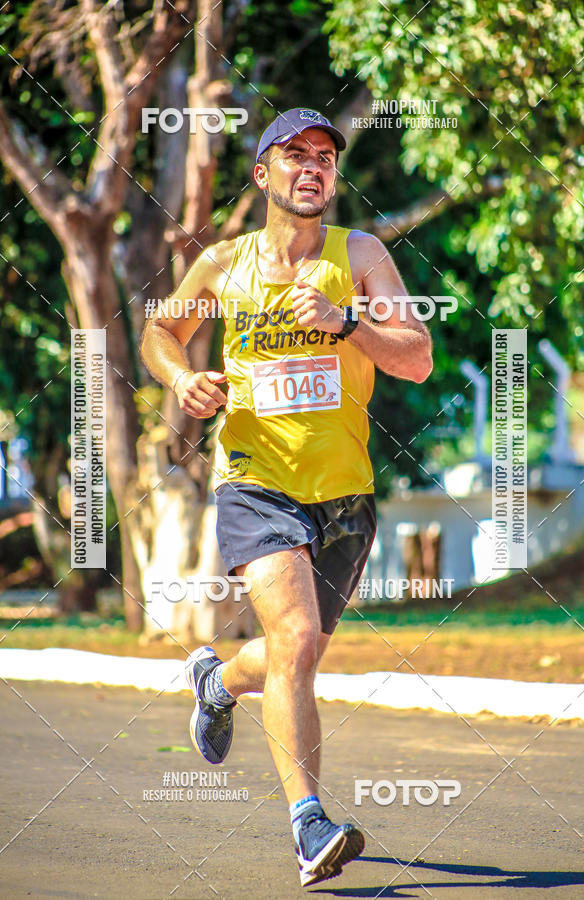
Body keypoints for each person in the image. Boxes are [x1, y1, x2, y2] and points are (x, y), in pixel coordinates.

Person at [140, 107, 432, 887]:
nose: (313, 168)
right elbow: (159, 333)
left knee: (292, 654)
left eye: (325, 159)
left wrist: (348, 324)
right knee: (298, 639)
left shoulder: (360, 254)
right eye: (294, 155)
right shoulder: (226, 264)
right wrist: (182, 379)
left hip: (345, 496)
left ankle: (215, 679)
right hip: (254, 482)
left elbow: (417, 358)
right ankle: (309, 825)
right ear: (263, 174)